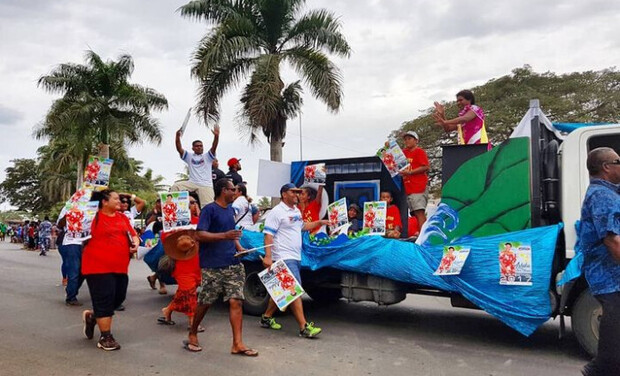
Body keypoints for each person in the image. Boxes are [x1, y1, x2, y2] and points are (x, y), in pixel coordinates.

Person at [185, 179, 258, 356]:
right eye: (233, 189)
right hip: (212, 265)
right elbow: (200, 234)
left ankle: (237, 343)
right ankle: (193, 333)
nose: (235, 192)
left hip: (232, 263)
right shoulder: (210, 210)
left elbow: (232, 234)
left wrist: (240, 248)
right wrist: (224, 235)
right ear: (223, 191)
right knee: (205, 302)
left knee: (236, 301)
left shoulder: (230, 211)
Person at [260, 183, 329, 338]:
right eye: (294, 192)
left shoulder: (296, 211)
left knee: (282, 290)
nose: (297, 194)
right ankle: (303, 327)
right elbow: (268, 235)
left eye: (298, 192)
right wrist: (268, 256)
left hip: (295, 256)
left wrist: (319, 222)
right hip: (284, 257)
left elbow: (302, 226)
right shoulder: (276, 212)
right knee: (293, 290)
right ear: (284, 194)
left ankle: (267, 317)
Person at [578, 147, 620, 376]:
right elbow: (612, 241)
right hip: (609, 277)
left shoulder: (610, 192)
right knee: (613, 348)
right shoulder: (602, 196)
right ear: (606, 167)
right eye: (618, 161)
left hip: (613, 276)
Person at [81, 189, 139, 351]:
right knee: (104, 299)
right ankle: (105, 336)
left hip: (120, 267)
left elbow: (133, 234)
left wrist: (134, 243)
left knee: (118, 297)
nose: (119, 201)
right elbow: (79, 228)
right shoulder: (93, 217)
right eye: (115, 198)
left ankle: (93, 316)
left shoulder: (122, 217)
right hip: (97, 267)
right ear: (104, 202)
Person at [171, 125, 220, 208]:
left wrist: (216, 136)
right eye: (197, 146)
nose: (199, 147)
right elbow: (179, 148)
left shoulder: (207, 156)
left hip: (205, 185)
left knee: (208, 208)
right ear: (193, 148)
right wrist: (177, 137)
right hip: (192, 183)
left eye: (201, 146)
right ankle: (175, 208)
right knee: (175, 186)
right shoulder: (189, 156)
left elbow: (214, 146)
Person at [398, 131, 429, 229]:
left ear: (416, 140)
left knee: (420, 212)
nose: (407, 141)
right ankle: (420, 234)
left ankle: (424, 237)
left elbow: (426, 166)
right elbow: (392, 156)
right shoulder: (404, 153)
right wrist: (388, 146)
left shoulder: (419, 151)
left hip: (418, 186)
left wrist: (410, 172)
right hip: (408, 187)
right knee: (414, 213)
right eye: (405, 139)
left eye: (409, 139)